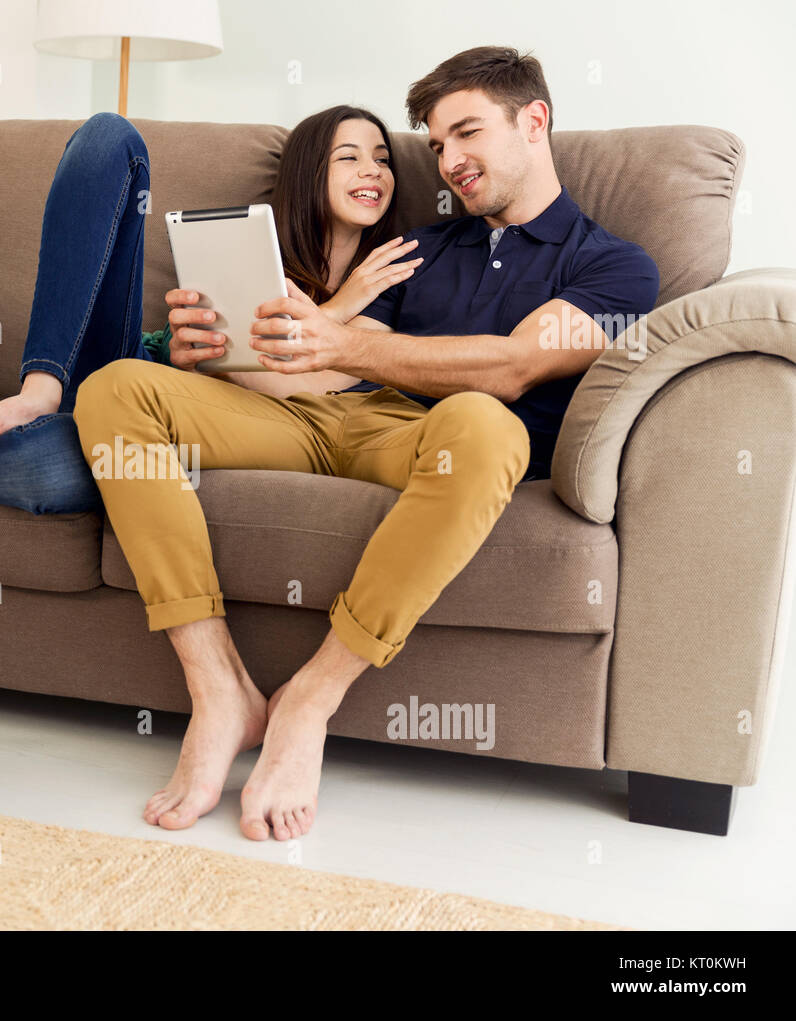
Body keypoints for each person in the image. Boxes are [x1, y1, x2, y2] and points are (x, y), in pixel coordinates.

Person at [71, 46, 660, 841]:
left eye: (465, 134)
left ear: (534, 120)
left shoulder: (615, 266)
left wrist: (341, 347)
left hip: (429, 436)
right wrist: (219, 355)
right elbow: (314, 374)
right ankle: (219, 691)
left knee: (487, 423)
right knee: (115, 389)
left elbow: (516, 365)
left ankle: (311, 699)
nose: (448, 161)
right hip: (326, 415)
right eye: (437, 143)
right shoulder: (420, 248)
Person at [0, 105, 422, 513]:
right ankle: (39, 385)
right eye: (350, 156)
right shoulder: (251, 251)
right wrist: (191, 347)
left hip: (156, 426)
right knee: (111, 137)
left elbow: (318, 381)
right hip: (123, 368)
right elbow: (204, 354)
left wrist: (341, 307)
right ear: (311, 172)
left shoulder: (395, 271)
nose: (374, 169)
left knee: (38, 471)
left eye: (383, 158)